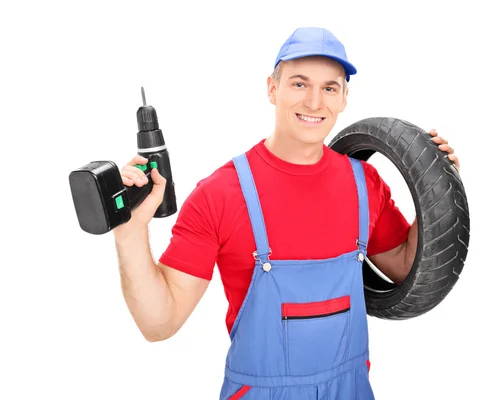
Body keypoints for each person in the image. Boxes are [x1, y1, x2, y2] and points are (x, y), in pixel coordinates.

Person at [114, 27, 461, 399]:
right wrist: (130, 230)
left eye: (329, 87)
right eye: (299, 84)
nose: (314, 102)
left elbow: (407, 266)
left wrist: (438, 188)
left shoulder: (365, 184)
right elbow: (159, 322)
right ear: (271, 89)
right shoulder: (220, 195)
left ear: (344, 97)